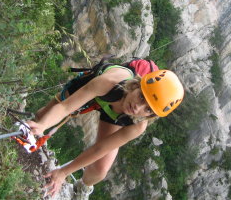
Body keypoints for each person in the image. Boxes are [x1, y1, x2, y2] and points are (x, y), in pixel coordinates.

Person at [27, 65, 184, 199]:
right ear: (137, 86)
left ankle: (81, 190)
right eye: (142, 97)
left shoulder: (138, 125)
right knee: (42, 117)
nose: (138, 108)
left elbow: (100, 149)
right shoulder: (110, 81)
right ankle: (34, 128)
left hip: (117, 115)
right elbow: (65, 107)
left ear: (151, 116)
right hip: (98, 90)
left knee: (100, 170)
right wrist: (42, 126)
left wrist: (63, 173)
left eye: (148, 110)